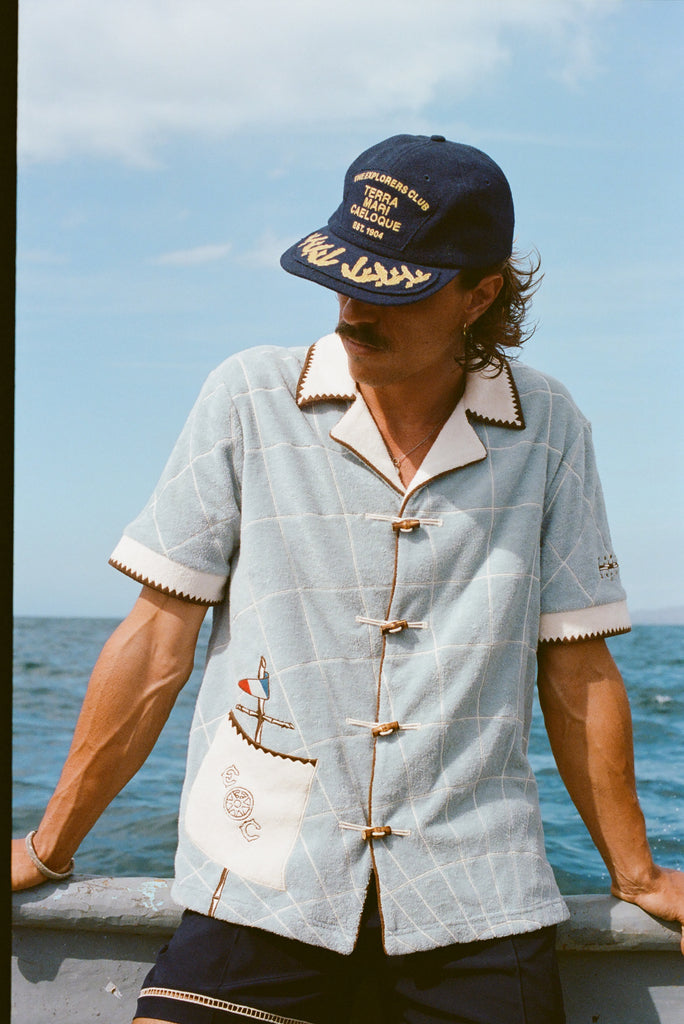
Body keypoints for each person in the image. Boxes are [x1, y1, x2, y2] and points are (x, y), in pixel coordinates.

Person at [12, 134, 684, 1024]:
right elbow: (155, 641)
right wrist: (50, 845)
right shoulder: (249, 396)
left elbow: (578, 668)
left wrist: (634, 872)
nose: (354, 307)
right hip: (260, 883)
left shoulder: (551, 425)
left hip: (476, 895)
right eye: (346, 273)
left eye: (395, 288)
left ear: (482, 296)